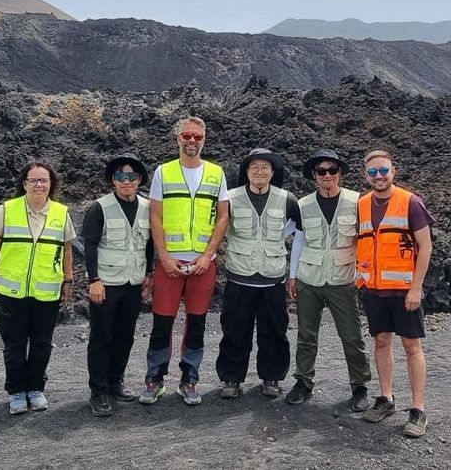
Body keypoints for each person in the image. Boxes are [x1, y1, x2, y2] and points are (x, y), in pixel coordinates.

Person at [140, 116, 229, 406]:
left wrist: (207, 257)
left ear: (204, 140)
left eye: (198, 137)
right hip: (171, 265)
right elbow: (156, 216)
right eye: (187, 136)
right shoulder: (163, 173)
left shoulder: (216, 173)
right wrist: (163, 257)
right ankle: (155, 378)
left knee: (197, 323)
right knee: (162, 323)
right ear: (177, 138)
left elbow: (223, 217)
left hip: (203, 265)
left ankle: (189, 379)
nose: (192, 141)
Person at [0, 159, 76, 415]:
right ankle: (16, 392)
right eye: (33, 180)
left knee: (42, 342)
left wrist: (68, 280)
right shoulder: (8, 209)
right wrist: (10, 256)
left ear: (50, 184)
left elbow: (67, 249)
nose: (38, 185)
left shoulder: (61, 213)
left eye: (43, 180)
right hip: (12, 292)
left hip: (47, 291)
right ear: (24, 184)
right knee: (14, 343)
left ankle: (35, 388)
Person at [284, 149, 372, 411]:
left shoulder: (357, 202)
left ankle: (359, 386)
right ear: (314, 175)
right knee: (306, 334)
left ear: (340, 173)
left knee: (352, 336)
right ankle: (303, 381)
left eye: (332, 170)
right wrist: (292, 275)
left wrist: (363, 274)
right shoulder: (303, 205)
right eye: (321, 171)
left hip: (342, 278)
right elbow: (298, 240)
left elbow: (365, 241)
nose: (327, 175)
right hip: (309, 278)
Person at [356, 149, 434, 438]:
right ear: (366, 175)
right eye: (373, 172)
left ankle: (418, 409)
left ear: (393, 171)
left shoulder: (410, 202)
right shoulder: (362, 204)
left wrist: (416, 287)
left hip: (404, 291)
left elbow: (425, 246)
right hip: (375, 290)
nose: (379, 176)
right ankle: (386, 398)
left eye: (383, 171)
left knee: (412, 347)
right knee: (381, 342)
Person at [215, 148, 300, 399]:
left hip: (272, 278)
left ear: (273, 172)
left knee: (274, 329)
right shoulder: (229, 198)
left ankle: (271, 377)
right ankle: (231, 378)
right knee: (234, 328)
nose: (260, 172)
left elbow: (300, 231)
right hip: (239, 276)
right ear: (246, 172)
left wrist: (291, 269)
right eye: (254, 168)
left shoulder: (287, 199)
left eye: (265, 167)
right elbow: (217, 228)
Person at [79, 153, 155, 417]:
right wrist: (94, 280)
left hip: (133, 283)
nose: (127, 181)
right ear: (113, 180)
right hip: (106, 284)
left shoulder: (147, 207)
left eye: (131, 176)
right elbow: (89, 245)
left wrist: (149, 273)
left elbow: (149, 243)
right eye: (121, 176)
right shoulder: (99, 208)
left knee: (125, 335)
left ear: (139, 180)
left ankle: (115, 381)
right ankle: (98, 391)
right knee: (101, 338)